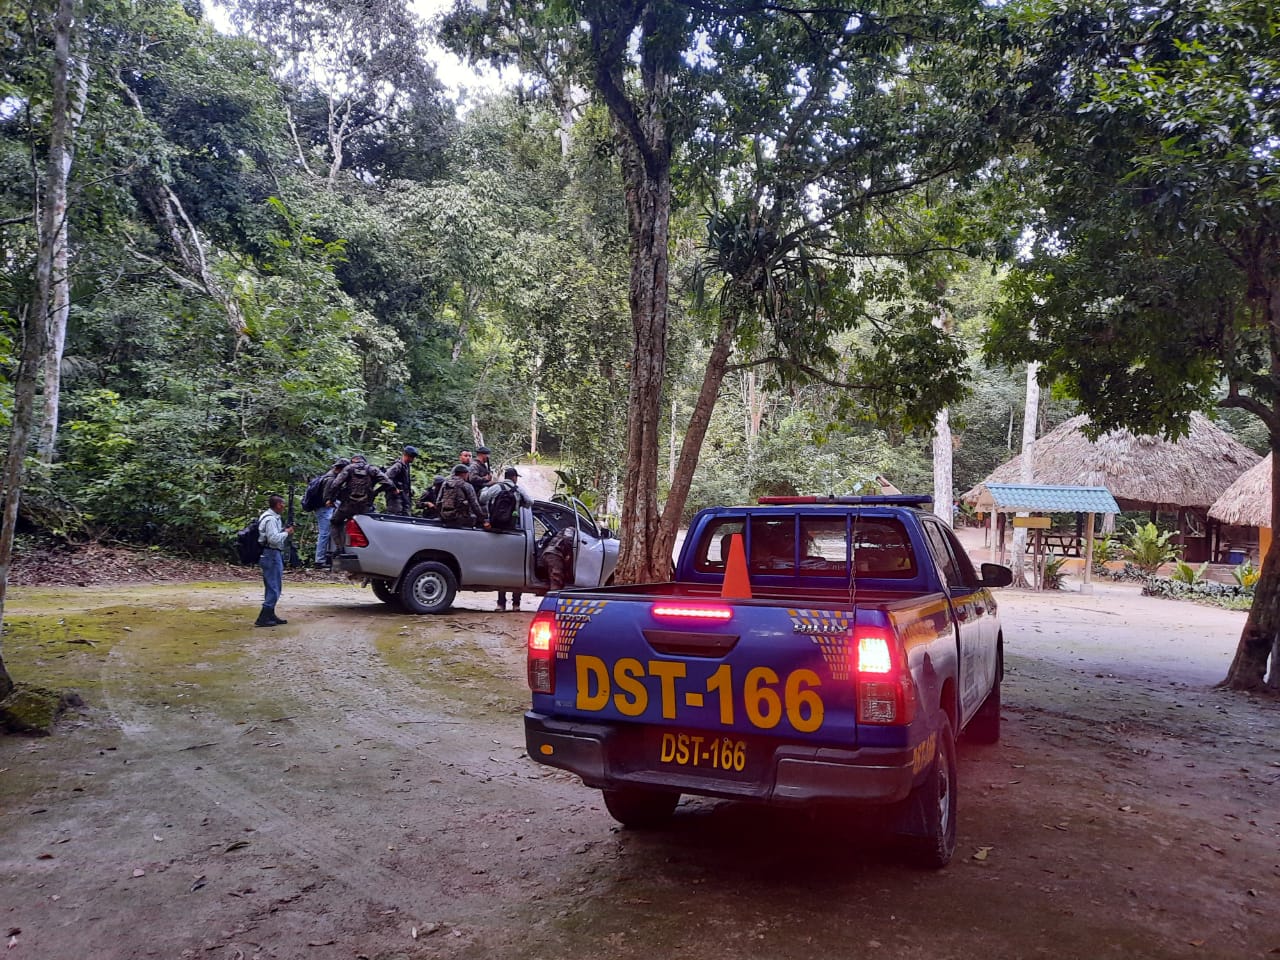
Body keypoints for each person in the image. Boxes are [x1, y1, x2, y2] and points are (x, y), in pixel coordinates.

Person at [482, 467, 535, 611]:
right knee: (515, 568)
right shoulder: (518, 490)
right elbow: (530, 502)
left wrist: (486, 489)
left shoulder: (496, 487)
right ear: (514, 477)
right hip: (513, 531)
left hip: (497, 531)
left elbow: (482, 498)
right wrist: (519, 503)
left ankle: (500, 604)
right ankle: (516, 604)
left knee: (502, 568)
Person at [328, 454, 397, 556]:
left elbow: (335, 484)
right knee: (368, 526)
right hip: (365, 506)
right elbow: (388, 483)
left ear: (354, 461)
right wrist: (375, 492)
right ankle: (370, 552)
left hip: (347, 505)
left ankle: (340, 548)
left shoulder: (349, 468)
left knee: (335, 522)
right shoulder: (372, 469)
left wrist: (332, 499)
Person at [256, 494, 294, 627]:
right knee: (274, 586)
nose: (284, 506)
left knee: (272, 585)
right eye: (282, 504)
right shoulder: (271, 519)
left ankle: (270, 614)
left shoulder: (268, 516)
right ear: (278, 505)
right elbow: (273, 539)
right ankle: (263, 617)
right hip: (271, 553)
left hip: (269, 553)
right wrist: (286, 533)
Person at [312, 459, 347, 568]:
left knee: (327, 533)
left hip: (323, 509)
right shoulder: (331, 479)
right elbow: (326, 499)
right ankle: (319, 560)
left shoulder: (330, 476)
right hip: (323, 509)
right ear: (339, 469)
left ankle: (324, 558)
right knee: (324, 534)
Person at [437, 463, 483, 527]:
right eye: (467, 473)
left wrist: (441, 515)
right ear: (463, 474)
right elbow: (474, 504)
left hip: (445, 516)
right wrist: (482, 518)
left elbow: (438, 501)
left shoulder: (445, 484)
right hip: (460, 518)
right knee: (475, 519)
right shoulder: (466, 485)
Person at [384, 445, 418, 515]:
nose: (413, 459)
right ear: (407, 456)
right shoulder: (398, 465)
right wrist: (394, 488)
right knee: (395, 517)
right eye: (412, 457)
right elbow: (386, 477)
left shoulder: (406, 466)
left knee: (405, 516)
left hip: (403, 496)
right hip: (395, 498)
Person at [540, 524, 575, 591]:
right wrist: (569, 553)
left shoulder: (561, 532)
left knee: (554, 577)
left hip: (549, 554)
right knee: (556, 579)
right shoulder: (570, 530)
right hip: (554, 555)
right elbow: (567, 539)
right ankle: (553, 598)